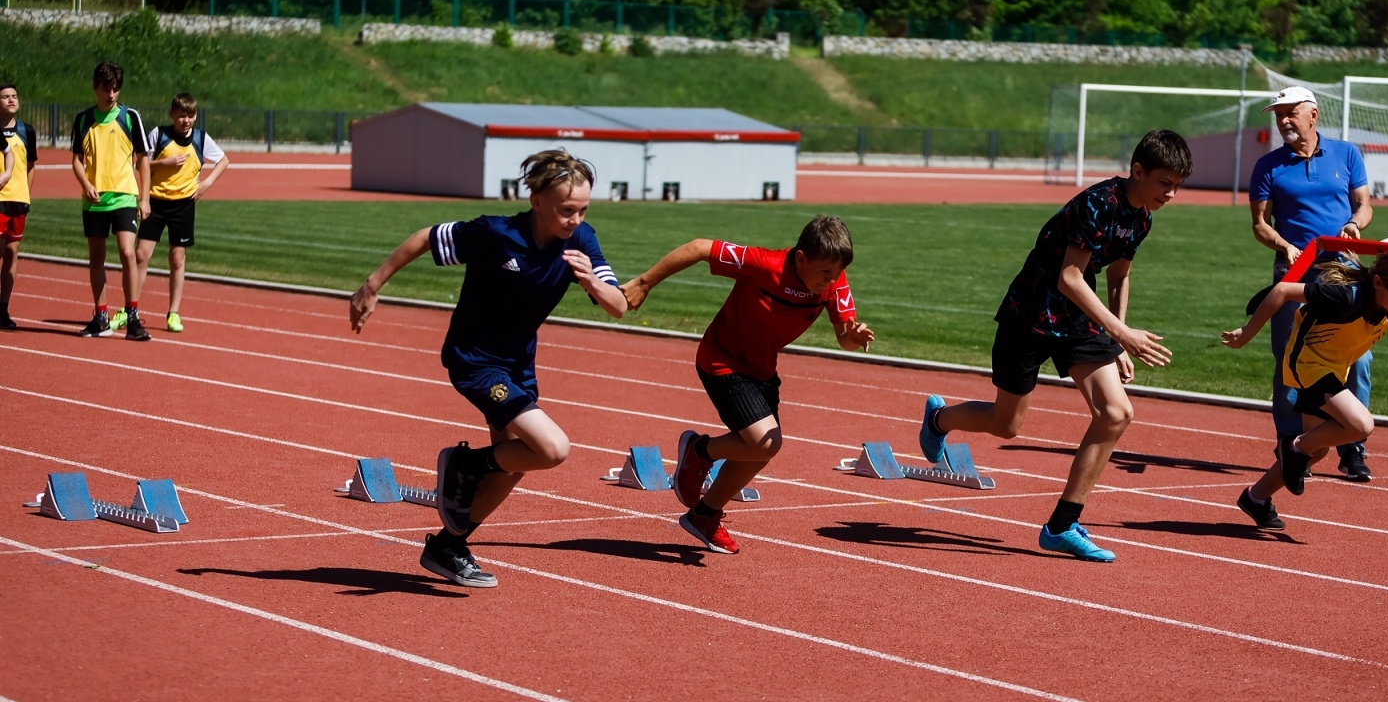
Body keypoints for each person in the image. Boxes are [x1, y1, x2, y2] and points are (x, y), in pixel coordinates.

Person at [349, 149, 626, 588]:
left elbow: (619, 306)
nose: (575, 219)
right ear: (537, 201)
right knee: (552, 449)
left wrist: (592, 281)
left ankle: (448, 545)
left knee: (515, 465)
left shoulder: (581, 241)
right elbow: (426, 237)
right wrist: (372, 284)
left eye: (583, 210)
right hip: (475, 360)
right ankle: (463, 463)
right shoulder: (495, 233)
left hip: (519, 365)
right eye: (566, 210)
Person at [917, 129, 1190, 562]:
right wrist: (1121, 335)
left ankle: (1062, 525)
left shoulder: (1141, 219)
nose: (1172, 194)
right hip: (1030, 314)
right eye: (1164, 183)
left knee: (1116, 413)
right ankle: (939, 420)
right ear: (1138, 171)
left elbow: (1119, 275)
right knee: (1007, 424)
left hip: (1078, 319)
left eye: (1178, 185)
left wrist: (1118, 335)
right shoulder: (1099, 203)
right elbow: (1069, 277)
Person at [621, 216, 874, 555]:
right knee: (764, 443)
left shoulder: (835, 280)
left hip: (762, 370)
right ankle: (700, 452)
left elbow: (843, 337)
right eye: (824, 272)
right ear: (800, 259)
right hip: (721, 361)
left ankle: (705, 516)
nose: (831, 279)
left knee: (760, 451)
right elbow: (699, 248)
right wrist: (644, 282)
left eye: (836, 272)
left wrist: (853, 337)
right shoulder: (763, 264)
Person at [1223, 247, 1388, 528]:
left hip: (1333, 369)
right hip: (1307, 365)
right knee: (1360, 425)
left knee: (1318, 449)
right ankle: (1293, 446)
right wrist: (1247, 332)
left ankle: (1256, 497)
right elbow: (1283, 290)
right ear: (1377, 283)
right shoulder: (1346, 296)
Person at [1249, 84, 1375, 483]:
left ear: (1313, 115)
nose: (1283, 120)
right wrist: (1284, 244)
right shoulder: (1267, 166)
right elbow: (1259, 226)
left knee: (1358, 358)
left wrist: (1355, 224)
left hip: (1343, 272)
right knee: (1288, 362)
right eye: (1278, 114)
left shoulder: (1347, 154)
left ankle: (1351, 448)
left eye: (1290, 112)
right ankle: (1290, 443)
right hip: (1294, 273)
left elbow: (1364, 204)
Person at [135, 93, 230, 332]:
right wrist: (162, 164)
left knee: (177, 259)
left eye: (190, 116)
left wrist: (207, 183)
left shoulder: (201, 138)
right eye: (181, 116)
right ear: (172, 115)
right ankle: (130, 309)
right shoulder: (159, 134)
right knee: (141, 255)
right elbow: (140, 163)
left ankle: (173, 314)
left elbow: (224, 160)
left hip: (184, 205)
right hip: (156, 201)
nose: (186, 120)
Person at [71, 61, 151, 340]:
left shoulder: (130, 117)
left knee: (128, 252)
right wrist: (86, 183)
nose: (112, 94)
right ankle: (101, 315)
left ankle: (132, 316)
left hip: (124, 197)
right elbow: (77, 161)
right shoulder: (83, 120)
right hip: (93, 200)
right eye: (107, 89)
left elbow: (143, 159)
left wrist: (144, 197)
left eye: (116, 89)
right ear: (95, 88)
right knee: (97, 258)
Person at [0, 82, 33, 331]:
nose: (11, 100)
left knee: (12, 253)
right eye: (5, 97)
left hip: (19, 200)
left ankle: (3, 309)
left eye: (14, 96)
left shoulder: (26, 131)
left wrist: (26, 194)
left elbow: (30, 165)